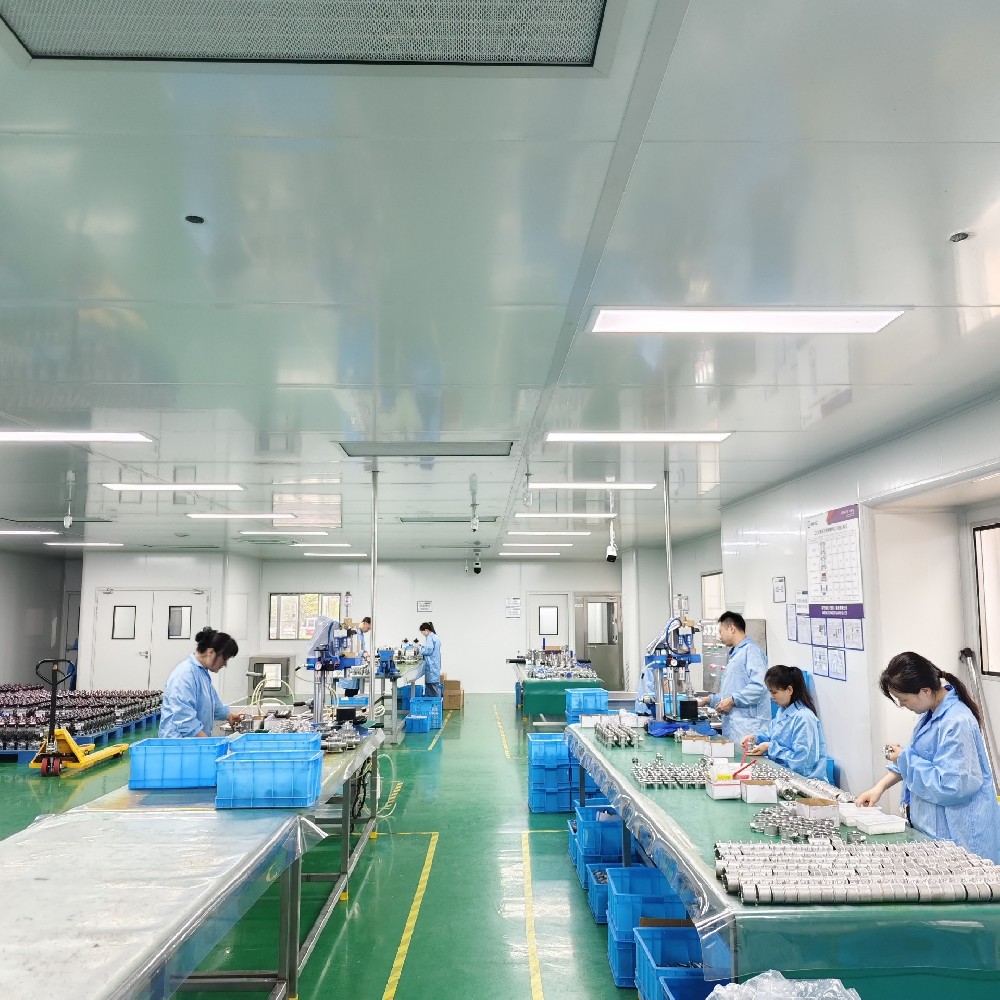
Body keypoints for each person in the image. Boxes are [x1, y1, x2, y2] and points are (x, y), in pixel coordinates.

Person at [856, 651, 1000, 863]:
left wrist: (903, 757)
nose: (903, 705)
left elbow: (951, 786)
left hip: (961, 834)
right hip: (934, 829)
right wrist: (879, 788)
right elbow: (915, 759)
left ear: (925, 691)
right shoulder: (930, 714)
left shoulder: (957, 722)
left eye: (904, 700)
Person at [742, 664, 829, 780]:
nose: (771, 697)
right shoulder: (782, 711)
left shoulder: (804, 718)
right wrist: (755, 738)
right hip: (784, 775)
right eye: (770, 692)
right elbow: (772, 735)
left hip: (805, 781)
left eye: (774, 692)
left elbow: (800, 762)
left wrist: (770, 748)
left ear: (789, 690)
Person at [697, 611, 769, 745]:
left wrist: (733, 700)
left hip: (748, 728)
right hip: (734, 727)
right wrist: (709, 700)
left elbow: (759, 686)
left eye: (721, 631)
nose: (719, 636)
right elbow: (731, 692)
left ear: (731, 628)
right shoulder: (736, 654)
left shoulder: (751, 651)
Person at [159, 627, 242, 738]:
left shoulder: (201, 673)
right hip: (178, 743)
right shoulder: (185, 674)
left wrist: (228, 715)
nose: (225, 665)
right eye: (224, 659)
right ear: (211, 652)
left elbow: (212, 703)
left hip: (193, 743)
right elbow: (185, 719)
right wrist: (208, 743)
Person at [341, 616, 371, 697]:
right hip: (350, 663)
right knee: (350, 690)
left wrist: (365, 652)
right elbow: (352, 648)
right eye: (368, 628)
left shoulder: (361, 633)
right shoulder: (354, 631)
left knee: (355, 689)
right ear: (365, 623)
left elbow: (361, 647)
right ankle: (348, 704)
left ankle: (352, 704)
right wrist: (362, 653)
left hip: (356, 664)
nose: (368, 630)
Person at [418, 621, 442, 697]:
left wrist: (419, 648)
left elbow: (428, 651)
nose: (423, 634)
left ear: (426, 630)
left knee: (433, 687)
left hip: (431, 666)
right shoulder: (435, 636)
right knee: (433, 686)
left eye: (422, 632)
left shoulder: (430, 637)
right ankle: (434, 703)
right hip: (434, 665)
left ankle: (435, 703)